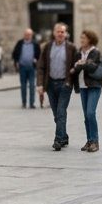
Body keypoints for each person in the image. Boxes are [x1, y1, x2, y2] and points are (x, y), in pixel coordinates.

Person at [36, 23, 79, 151]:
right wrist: (40, 84)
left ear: (66, 34)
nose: (60, 34)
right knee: (56, 114)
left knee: (60, 112)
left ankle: (58, 140)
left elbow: (75, 66)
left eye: (63, 32)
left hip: (64, 84)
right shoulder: (47, 47)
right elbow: (41, 66)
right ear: (54, 33)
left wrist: (71, 81)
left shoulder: (71, 48)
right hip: (50, 84)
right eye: (58, 31)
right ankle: (64, 135)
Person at [70, 30, 102, 152]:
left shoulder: (95, 52)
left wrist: (82, 64)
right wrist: (77, 66)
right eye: (81, 38)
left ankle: (95, 141)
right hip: (82, 86)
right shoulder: (79, 52)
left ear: (90, 39)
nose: (81, 40)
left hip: (94, 86)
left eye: (84, 38)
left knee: (90, 113)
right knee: (86, 116)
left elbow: (92, 66)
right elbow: (75, 67)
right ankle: (89, 140)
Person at [12, 29, 40, 107]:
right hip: (22, 67)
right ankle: (24, 103)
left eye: (29, 34)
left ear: (31, 35)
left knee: (32, 85)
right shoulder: (20, 43)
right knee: (23, 86)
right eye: (26, 34)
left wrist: (36, 59)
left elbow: (39, 54)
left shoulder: (35, 44)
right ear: (24, 35)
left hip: (32, 67)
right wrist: (16, 62)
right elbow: (14, 53)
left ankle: (32, 103)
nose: (27, 36)